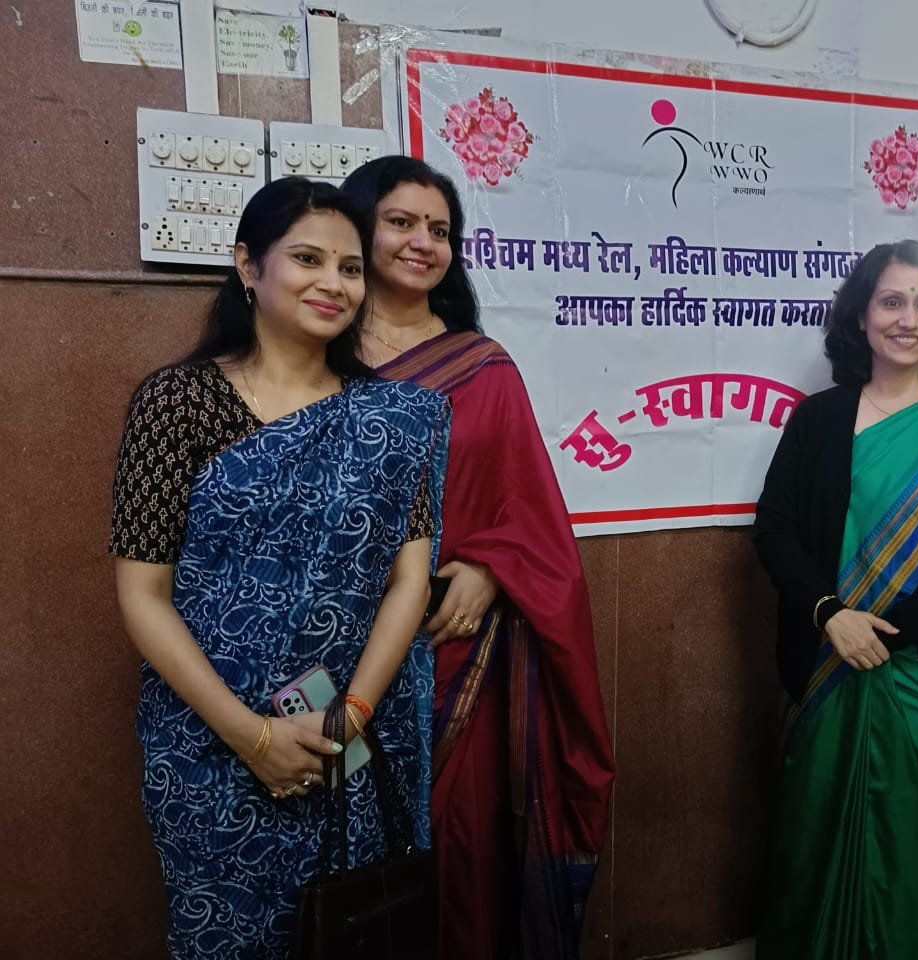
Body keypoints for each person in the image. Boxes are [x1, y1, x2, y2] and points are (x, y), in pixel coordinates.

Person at [110, 176, 449, 960]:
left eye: (351, 267)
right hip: (209, 739)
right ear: (247, 266)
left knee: (356, 929)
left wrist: (349, 715)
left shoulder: (396, 419)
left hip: (353, 740)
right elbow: (142, 593)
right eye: (307, 259)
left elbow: (411, 577)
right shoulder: (178, 404)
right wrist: (253, 736)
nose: (334, 283)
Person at [340, 155, 615, 959]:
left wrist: (494, 569)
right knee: (344, 852)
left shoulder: (483, 366)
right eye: (401, 222)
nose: (422, 242)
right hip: (331, 647)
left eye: (440, 230)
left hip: (456, 650)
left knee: (459, 847)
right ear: (358, 226)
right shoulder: (316, 346)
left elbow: (531, 510)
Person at [752, 239, 918, 958]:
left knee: (916, 848)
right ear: (862, 316)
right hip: (827, 658)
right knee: (814, 834)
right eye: (892, 301)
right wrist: (832, 616)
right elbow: (775, 530)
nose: (909, 319)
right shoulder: (817, 418)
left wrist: (889, 633)